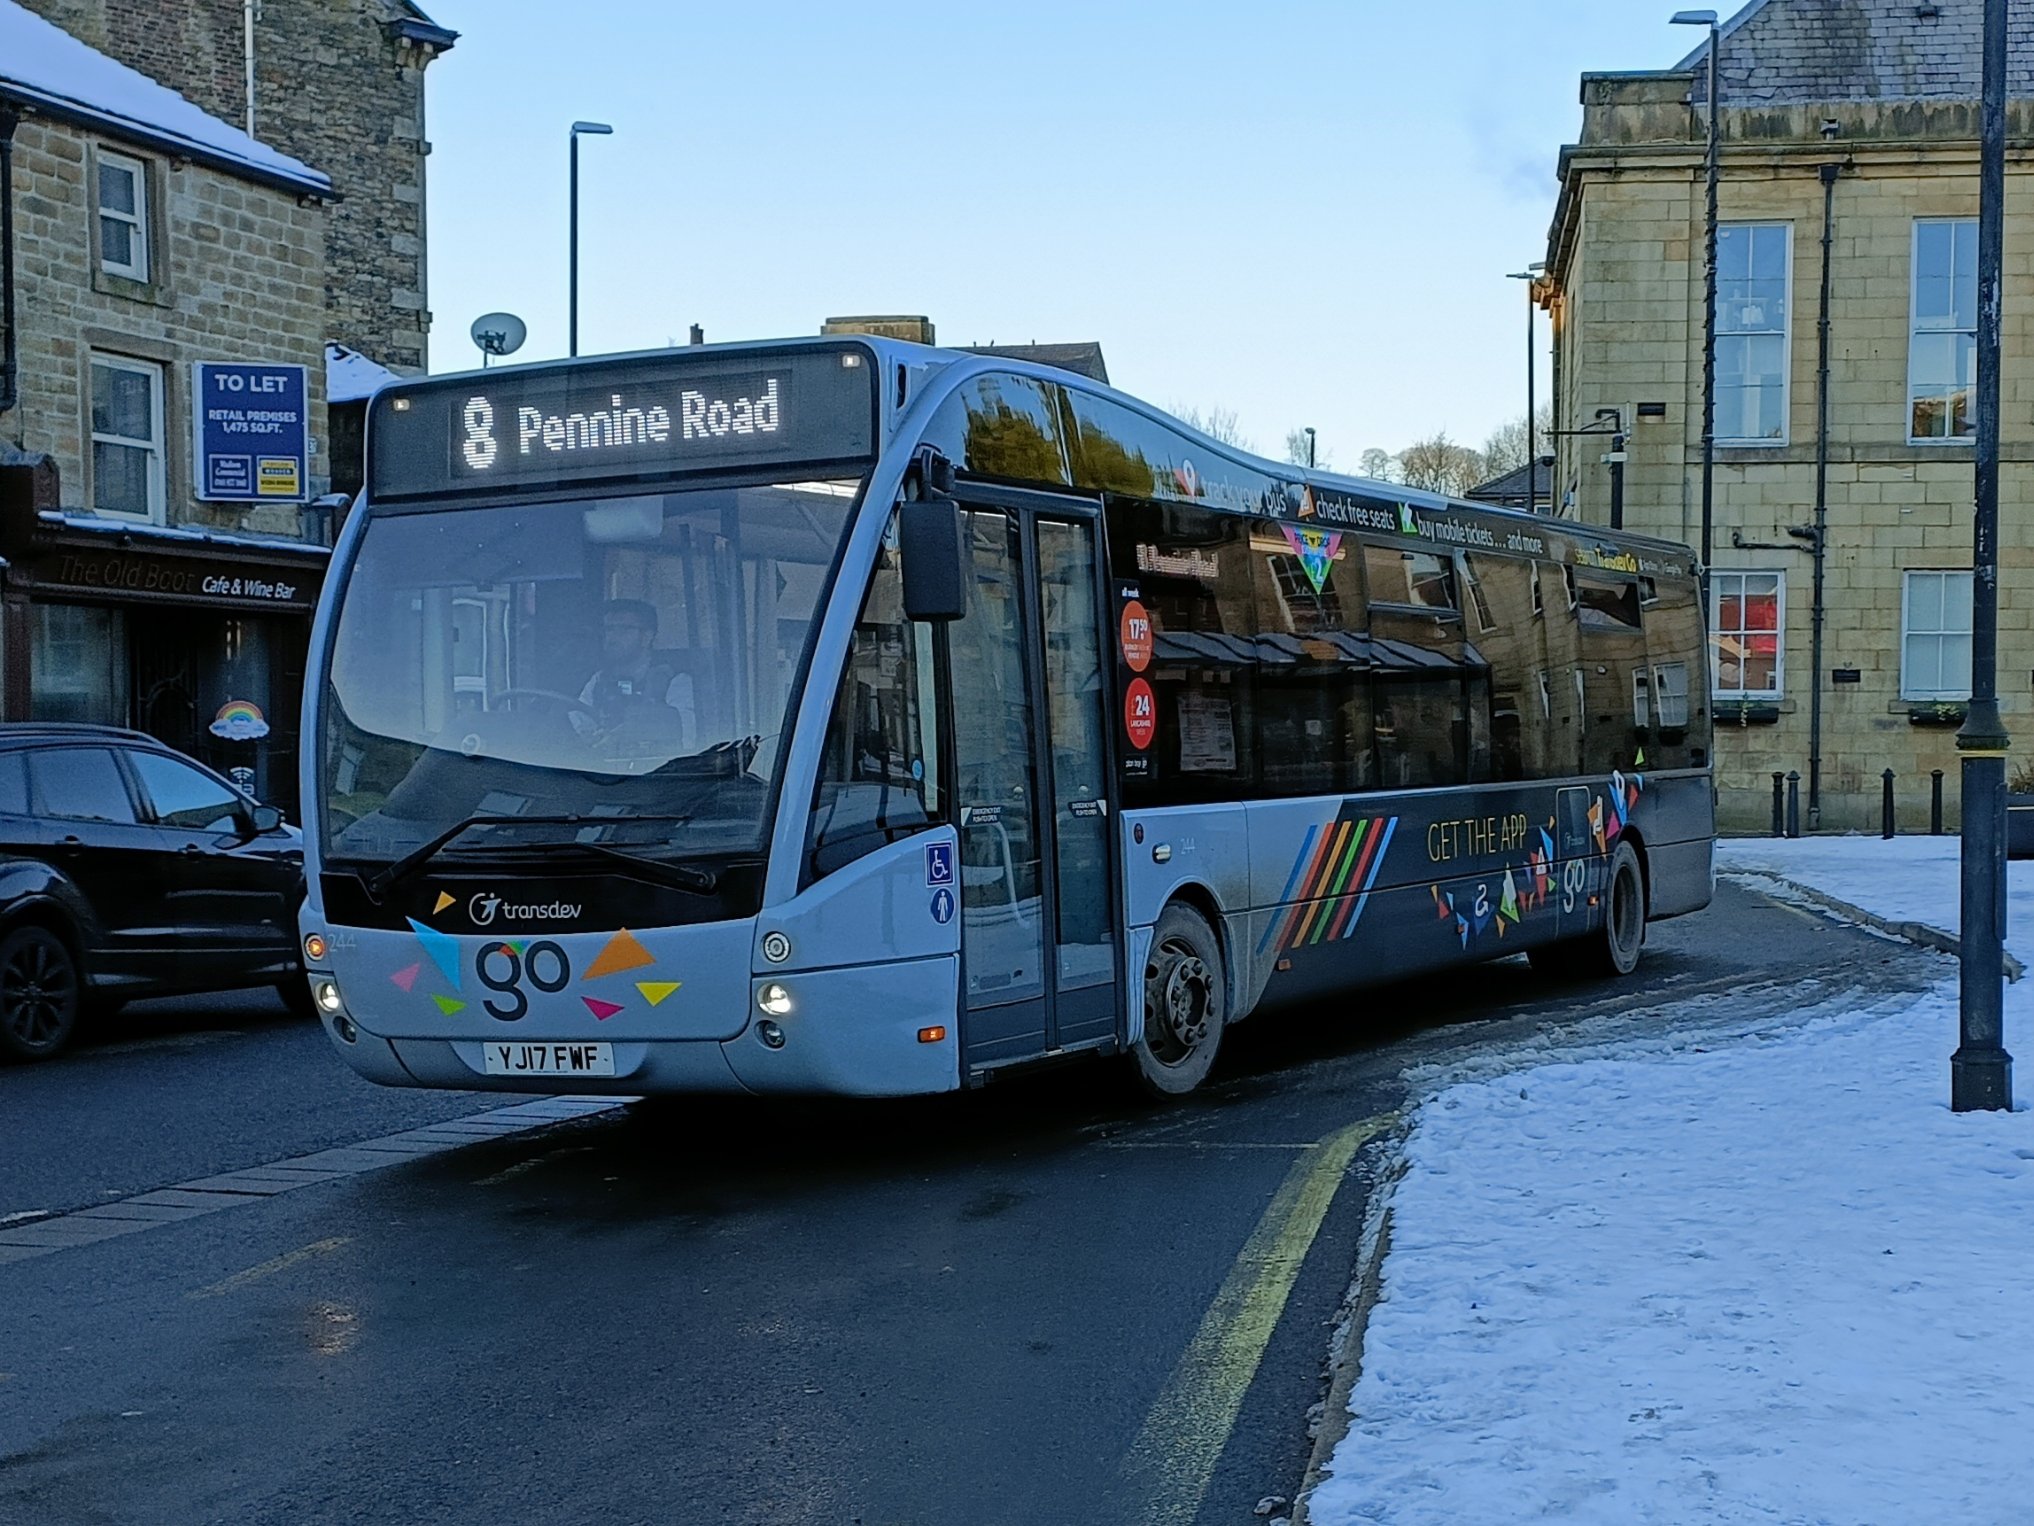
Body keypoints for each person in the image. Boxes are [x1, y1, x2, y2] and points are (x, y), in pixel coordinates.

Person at [575, 599, 699, 749]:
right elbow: (578, 724)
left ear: (647, 637)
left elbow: (688, 738)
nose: (612, 638)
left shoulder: (676, 681)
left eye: (623, 629)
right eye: (609, 629)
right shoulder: (598, 681)